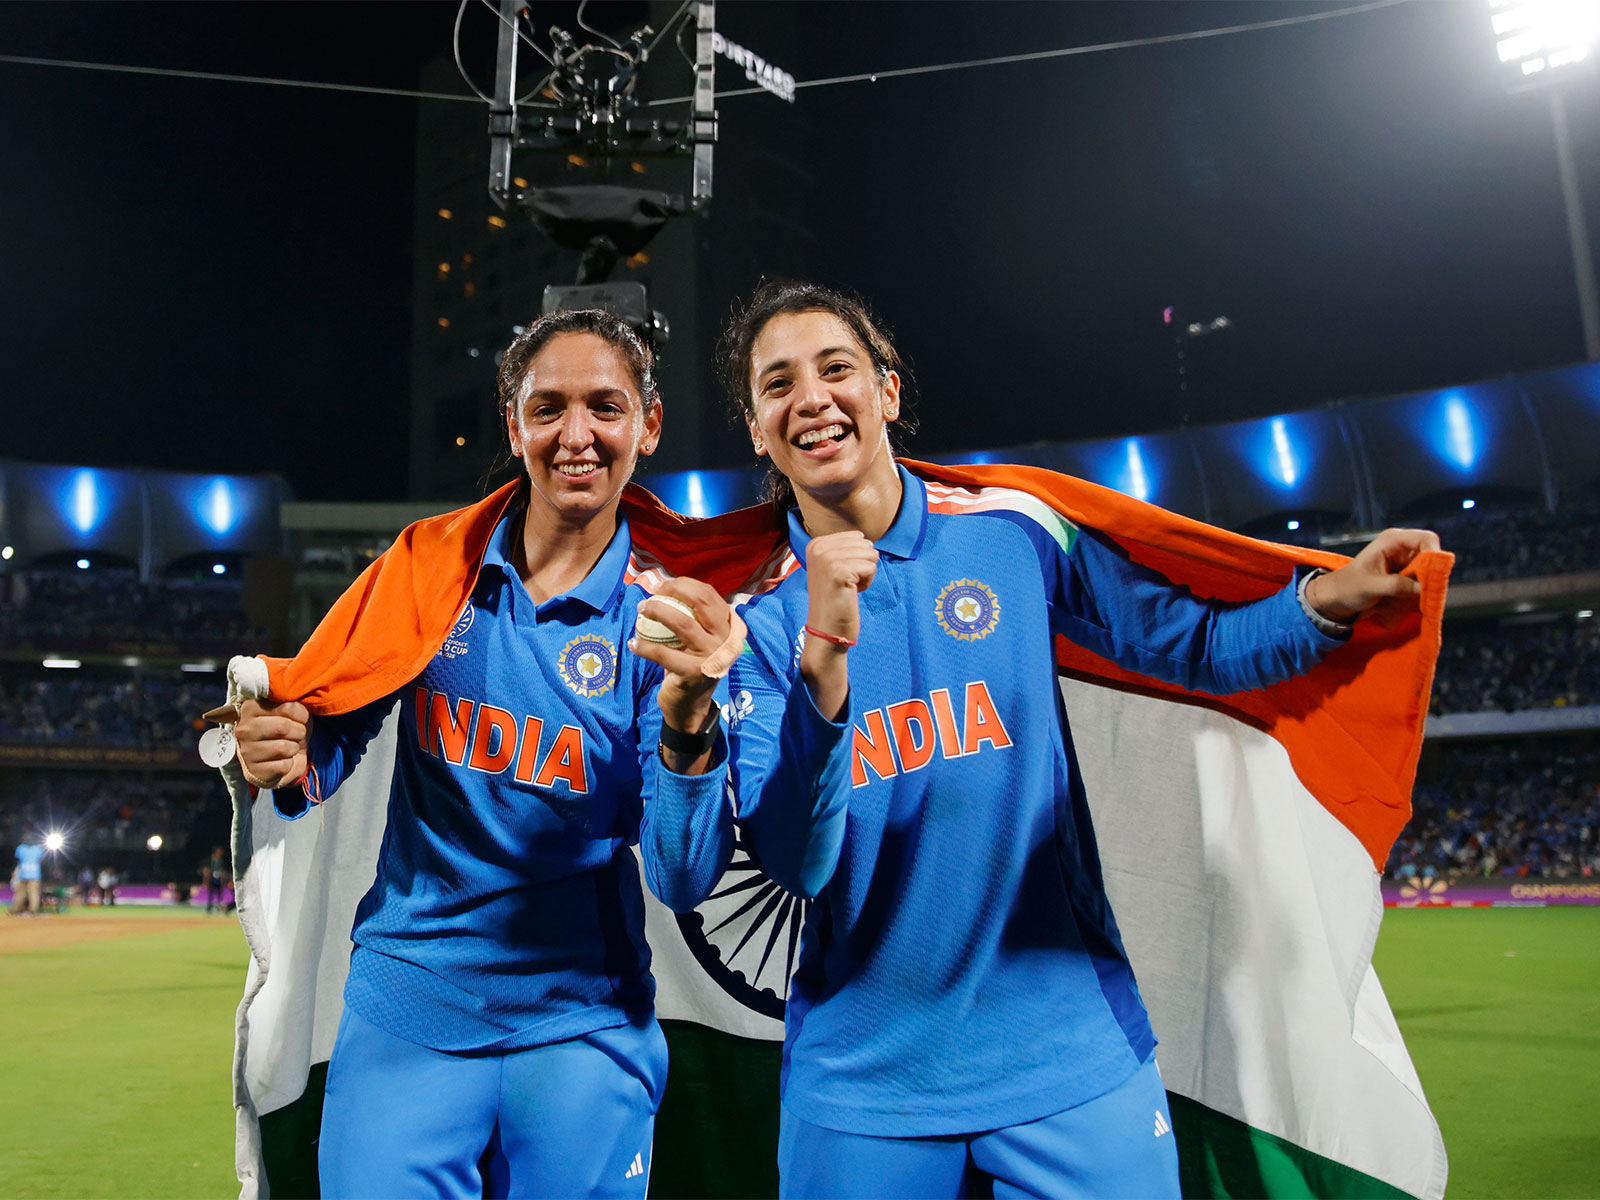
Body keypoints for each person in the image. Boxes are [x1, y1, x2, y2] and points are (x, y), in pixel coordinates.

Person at [705, 280, 1441, 1199]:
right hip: (863, 1084)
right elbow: (792, 863)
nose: (810, 397)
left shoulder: (1014, 534)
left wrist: (1326, 601)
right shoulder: (757, 629)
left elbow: (1192, 647)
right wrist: (822, 662)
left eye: (836, 368)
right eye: (778, 384)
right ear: (756, 426)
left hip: (1069, 1056)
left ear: (887, 392)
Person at [230, 309, 734, 1199]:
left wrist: (691, 720)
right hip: (409, 1011)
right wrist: (293, 749)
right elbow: (333, 724)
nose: (576, 436)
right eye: (549, 408)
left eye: (606, 408)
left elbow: (684, 878)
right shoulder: (432, 567)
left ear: (648, 426)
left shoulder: (670, 622)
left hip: (583, 1025)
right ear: (513, 424)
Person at [10, 829, 45, 915]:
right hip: (34, 873)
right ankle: (33, 910)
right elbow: (41, 860)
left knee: (20, 893)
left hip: (23, 873)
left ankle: (15, 910)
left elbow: (17, 860)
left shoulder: (20, 848)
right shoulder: (38, 849)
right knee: (33, 892)